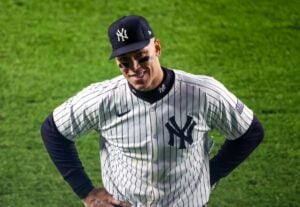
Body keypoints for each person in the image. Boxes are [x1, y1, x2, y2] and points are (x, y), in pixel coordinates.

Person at [41, 15, 264, 207]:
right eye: (124, 62)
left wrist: (211, 173)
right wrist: (86, 193)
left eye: (142, 57)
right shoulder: (102, 99)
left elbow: (250, 131)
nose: (135, 68)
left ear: (157, 47)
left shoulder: (203, 93)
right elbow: (53, 130)